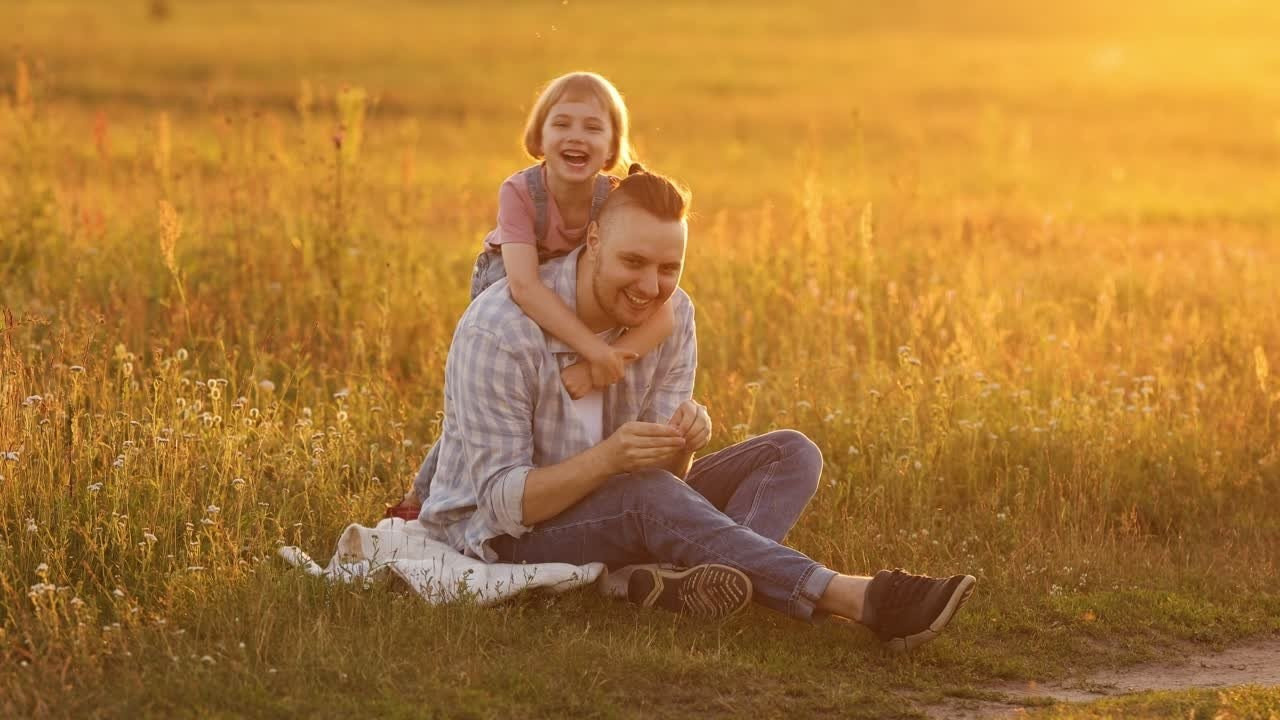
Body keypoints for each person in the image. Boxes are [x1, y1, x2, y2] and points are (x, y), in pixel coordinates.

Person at [413, 166, 976, 652]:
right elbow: (504, 505)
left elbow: (659, 482)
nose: (651, 287)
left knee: (790, 453)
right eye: (633, 262)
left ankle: (691, 582)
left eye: (668, 268)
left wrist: (681, 447)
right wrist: (612, 459)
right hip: (504, 534)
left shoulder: (673, 314)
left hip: (623, 504)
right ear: (592, 241)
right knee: (641, 500)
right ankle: (852, 595)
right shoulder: (499, 331)